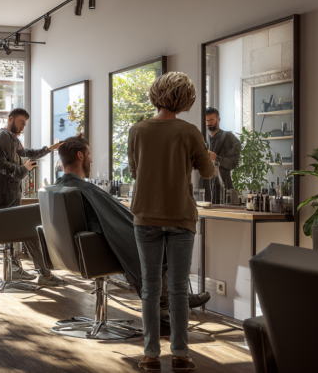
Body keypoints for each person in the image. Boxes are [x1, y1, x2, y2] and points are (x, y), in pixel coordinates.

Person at [55, 135, 211, 318]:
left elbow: (108, 219)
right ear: (80, 156)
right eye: (89, 155)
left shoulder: (60, 189)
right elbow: (115, 221)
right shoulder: (83, 189)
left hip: (74, 252)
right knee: (161, 241)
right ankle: (167, 303)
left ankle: (172, 299)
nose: (91, 159)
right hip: (96, 251)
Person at [128, 72, 215, 371]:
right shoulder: (191, 132)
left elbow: (136, 172)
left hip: (145, 216)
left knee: (151, 289)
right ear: (185, 99)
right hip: (181, 217)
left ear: (156, 94)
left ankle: (150, 354)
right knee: (178, 289)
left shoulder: (136, 130)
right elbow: (207, 173)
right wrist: (203, 157)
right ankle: (181, 354)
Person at [0, 108, 67, 286]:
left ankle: (17, 269)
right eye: (21, 122)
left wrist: (49, 149)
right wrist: (24, 169)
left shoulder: (11, 138)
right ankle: (44, 275)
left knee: (26, 231)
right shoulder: (2, 137)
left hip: (10, 196)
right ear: (11, 119)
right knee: (30, 230)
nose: (23, 127)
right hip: (4, 199)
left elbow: (26, 153)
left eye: (25, 124)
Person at [203, 107, 241, 202]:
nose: (208, 123)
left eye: (211, 119)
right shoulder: (202, 139)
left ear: (218, 119)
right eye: (206, 120)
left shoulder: (229, 138)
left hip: (224, 189)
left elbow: (234, 162)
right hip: (204, 190)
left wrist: (217, 158)